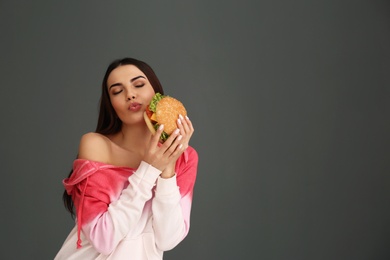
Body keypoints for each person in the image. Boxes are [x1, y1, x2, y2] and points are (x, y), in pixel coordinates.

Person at [55, 57, 198, 260]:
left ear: (157, 93)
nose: (130, 94)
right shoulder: (96, 145)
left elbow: (168, 239)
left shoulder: (184, 157)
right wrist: (148, 170)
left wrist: (167, 169)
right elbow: (103, 239)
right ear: (111, 104)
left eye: (138, 85)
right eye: (117, 91)